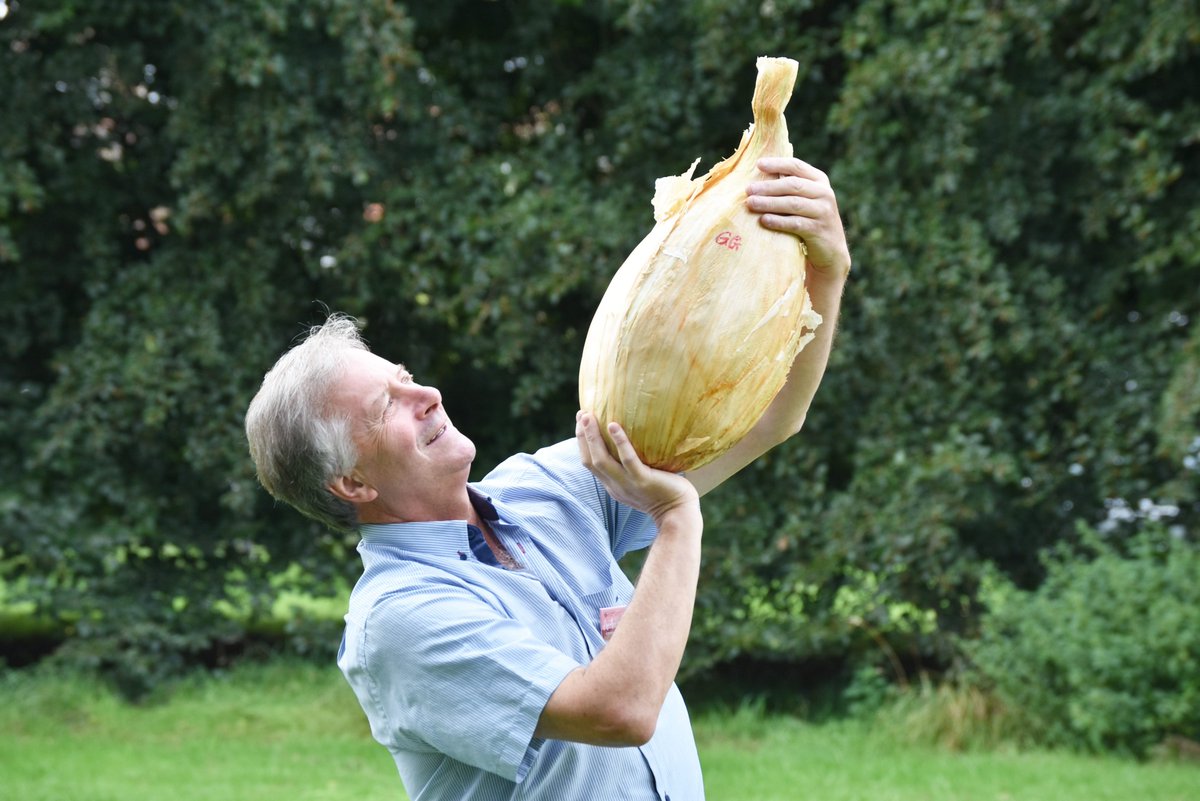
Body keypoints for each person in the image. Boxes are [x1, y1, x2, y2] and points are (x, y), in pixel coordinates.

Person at [244, 156, 850, 800]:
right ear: (351, 484)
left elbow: (765, 421)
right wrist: (677, 523)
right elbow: (620, 711)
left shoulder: (547, 490)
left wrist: (826, 274)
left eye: (405, 377)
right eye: (384, 407)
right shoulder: (400, 621)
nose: (425, 394)